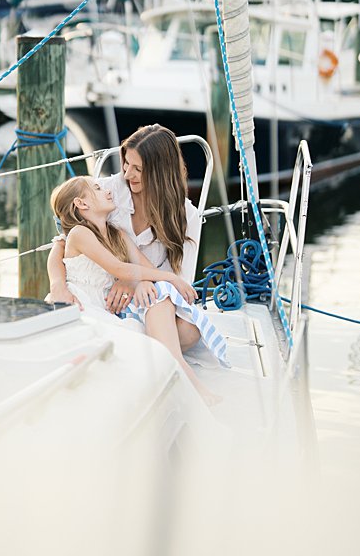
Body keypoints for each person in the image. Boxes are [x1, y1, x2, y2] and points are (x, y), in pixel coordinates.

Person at [50, 176, 227, 403]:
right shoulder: (79, 234)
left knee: (162, 296)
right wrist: (171, 278)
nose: (105, 189)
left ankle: (175, 364)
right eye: (96, 188)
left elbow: (144, 267)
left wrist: (155, 281)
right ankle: (186, 377)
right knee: (162, 288)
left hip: (109, 309)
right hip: (85, 307)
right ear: (81, 204)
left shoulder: (117, 235)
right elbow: (118, 268)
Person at [47, 124, 202, 350]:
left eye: (137, 169)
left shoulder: (187, 215)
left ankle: (151, 352)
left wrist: (133, 280)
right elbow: (62, 245)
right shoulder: (106, 191)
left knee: (189, 332)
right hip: (103, 295)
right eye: (126, 163)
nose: (128, 174)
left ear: (160, 172)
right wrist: (58, 284)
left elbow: (178, 279)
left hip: (149, 295)